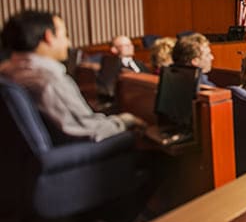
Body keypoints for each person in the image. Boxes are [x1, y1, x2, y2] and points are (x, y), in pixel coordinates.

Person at [0, 10, 144, 142]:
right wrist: (125, 121)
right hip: (79, 158)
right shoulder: (48, 79)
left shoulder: (8, 72)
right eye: (65, 35)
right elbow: (89, 130)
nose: (68, 43)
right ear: (49, 37)